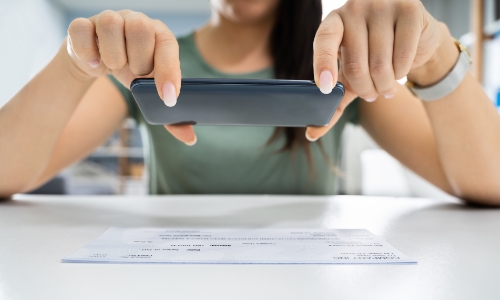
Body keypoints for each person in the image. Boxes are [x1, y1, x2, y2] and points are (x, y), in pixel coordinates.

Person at [1, 0, 499, 204]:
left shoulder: (342, 69)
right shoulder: (145, 66)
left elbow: (489, 183)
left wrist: (434, 58)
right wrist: (75, 62)